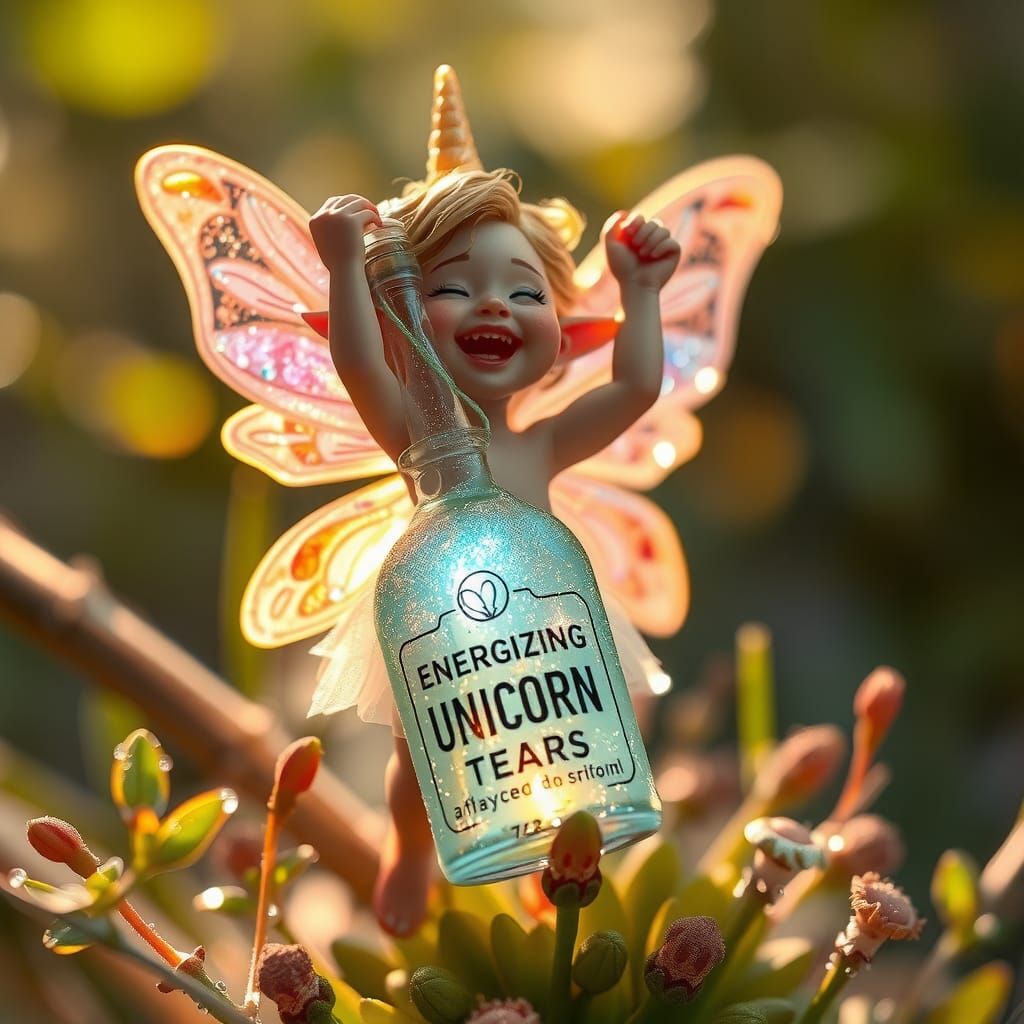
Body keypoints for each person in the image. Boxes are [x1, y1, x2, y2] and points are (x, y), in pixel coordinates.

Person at [307, 66, 680, 936]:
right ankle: (411, 845)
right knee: (421, 751)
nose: (494, 307)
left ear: (559, 332)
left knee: (569, 724)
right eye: (449, 288)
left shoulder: (540, 442)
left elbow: (634, 385)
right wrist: (343, 268)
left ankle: (563, 850)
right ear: (400, 309)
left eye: (524, 291)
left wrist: (643, 292)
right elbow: (359, 365)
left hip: (547, 611)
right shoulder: (418, 437)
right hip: (439, 618)